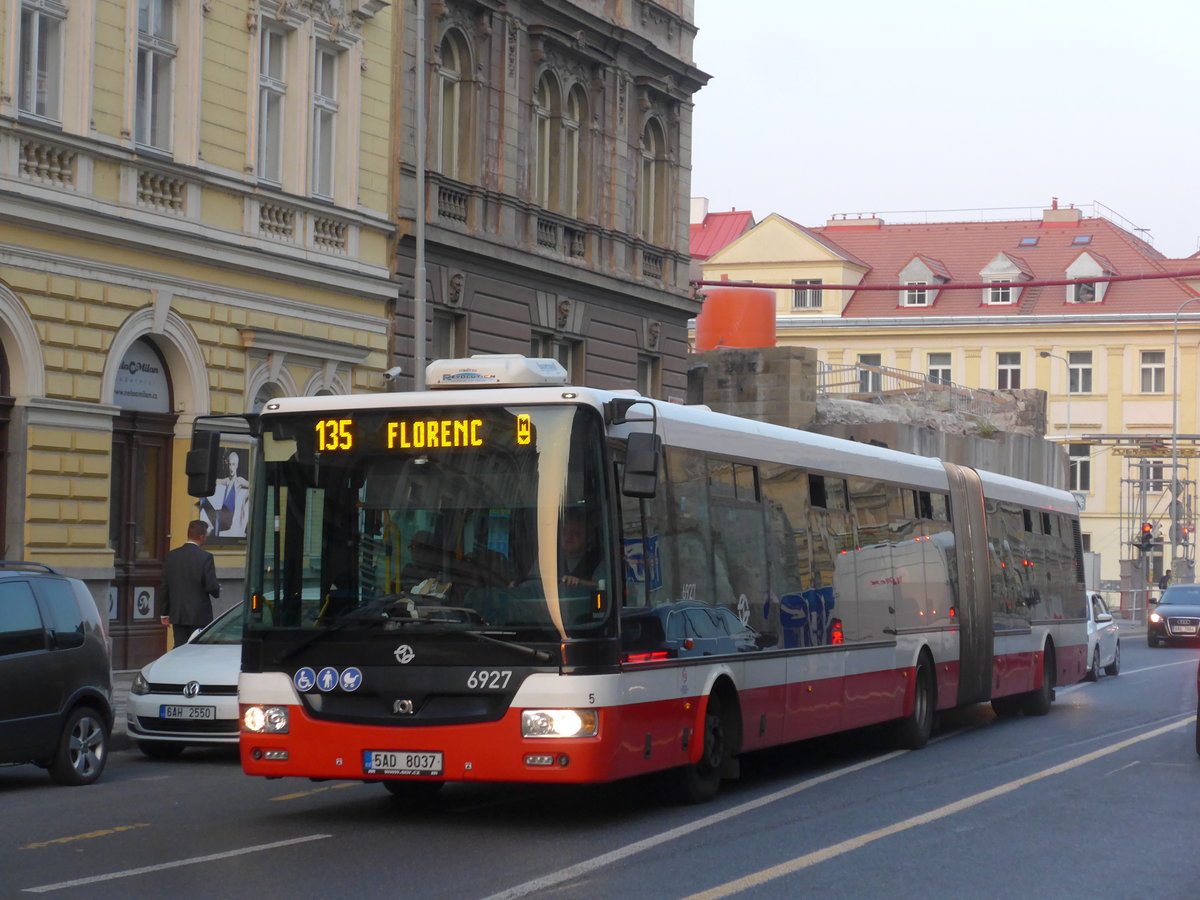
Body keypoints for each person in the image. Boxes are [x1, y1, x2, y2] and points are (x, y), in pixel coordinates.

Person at [160, 519, 220, 647]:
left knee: (180, 647)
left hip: (178, 613)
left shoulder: (171, 556)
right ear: (202, 537)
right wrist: (217, 589)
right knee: (198, 649)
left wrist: (164, 613)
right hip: (199, 614)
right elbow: (211, 586)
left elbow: (165, 586)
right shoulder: (205, 557)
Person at [559, 509, 603, 587]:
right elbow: (532, 584)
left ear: (588, 537)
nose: (569, 536)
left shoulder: (599, 561)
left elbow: (604, 586)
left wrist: (579, 582)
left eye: (575, 532)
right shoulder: (548, 559)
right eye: (565, 532)